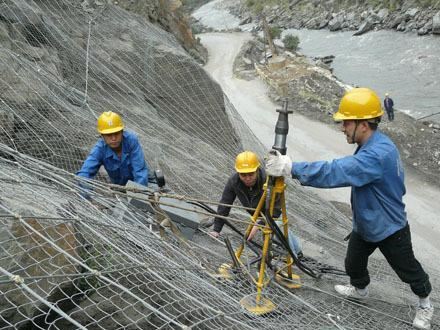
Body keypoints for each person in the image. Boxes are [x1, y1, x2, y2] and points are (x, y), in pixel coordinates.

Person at [265, 88, 433, 330]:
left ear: (363, 124)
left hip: (389, 227)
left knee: (409, 271)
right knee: (353, 263)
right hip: (366, 221)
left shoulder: (378, 154)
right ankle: (360, 289)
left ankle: (425, 303)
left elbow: (338, 171)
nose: (342, 127)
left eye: (346, 122)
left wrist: (291, 167)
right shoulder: (376, 143)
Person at [209, 151, 302, 258]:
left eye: (251, 174)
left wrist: (259, 223)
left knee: (279, 227)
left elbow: (276, 210)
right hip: (256, 212)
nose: (247, 178)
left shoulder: (269, 180)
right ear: (238, 172)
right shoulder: (234, 182)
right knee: (271, 232)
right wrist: (216, 229)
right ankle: (293, 252)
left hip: (273, 211)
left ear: (257, 170)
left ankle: (294, 257)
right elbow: (225, 204)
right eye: (243, 175)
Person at [77, 111, 149, 187]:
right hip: (120, 188)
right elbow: (84, 174)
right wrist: (86, 194)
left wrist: (139, 195)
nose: (113, 138)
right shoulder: (100, 149)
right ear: (102, 135)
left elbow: (140, 172)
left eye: (117, 133)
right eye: (108, 135)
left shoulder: (131, 141)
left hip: (144, 182)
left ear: (122, 131)